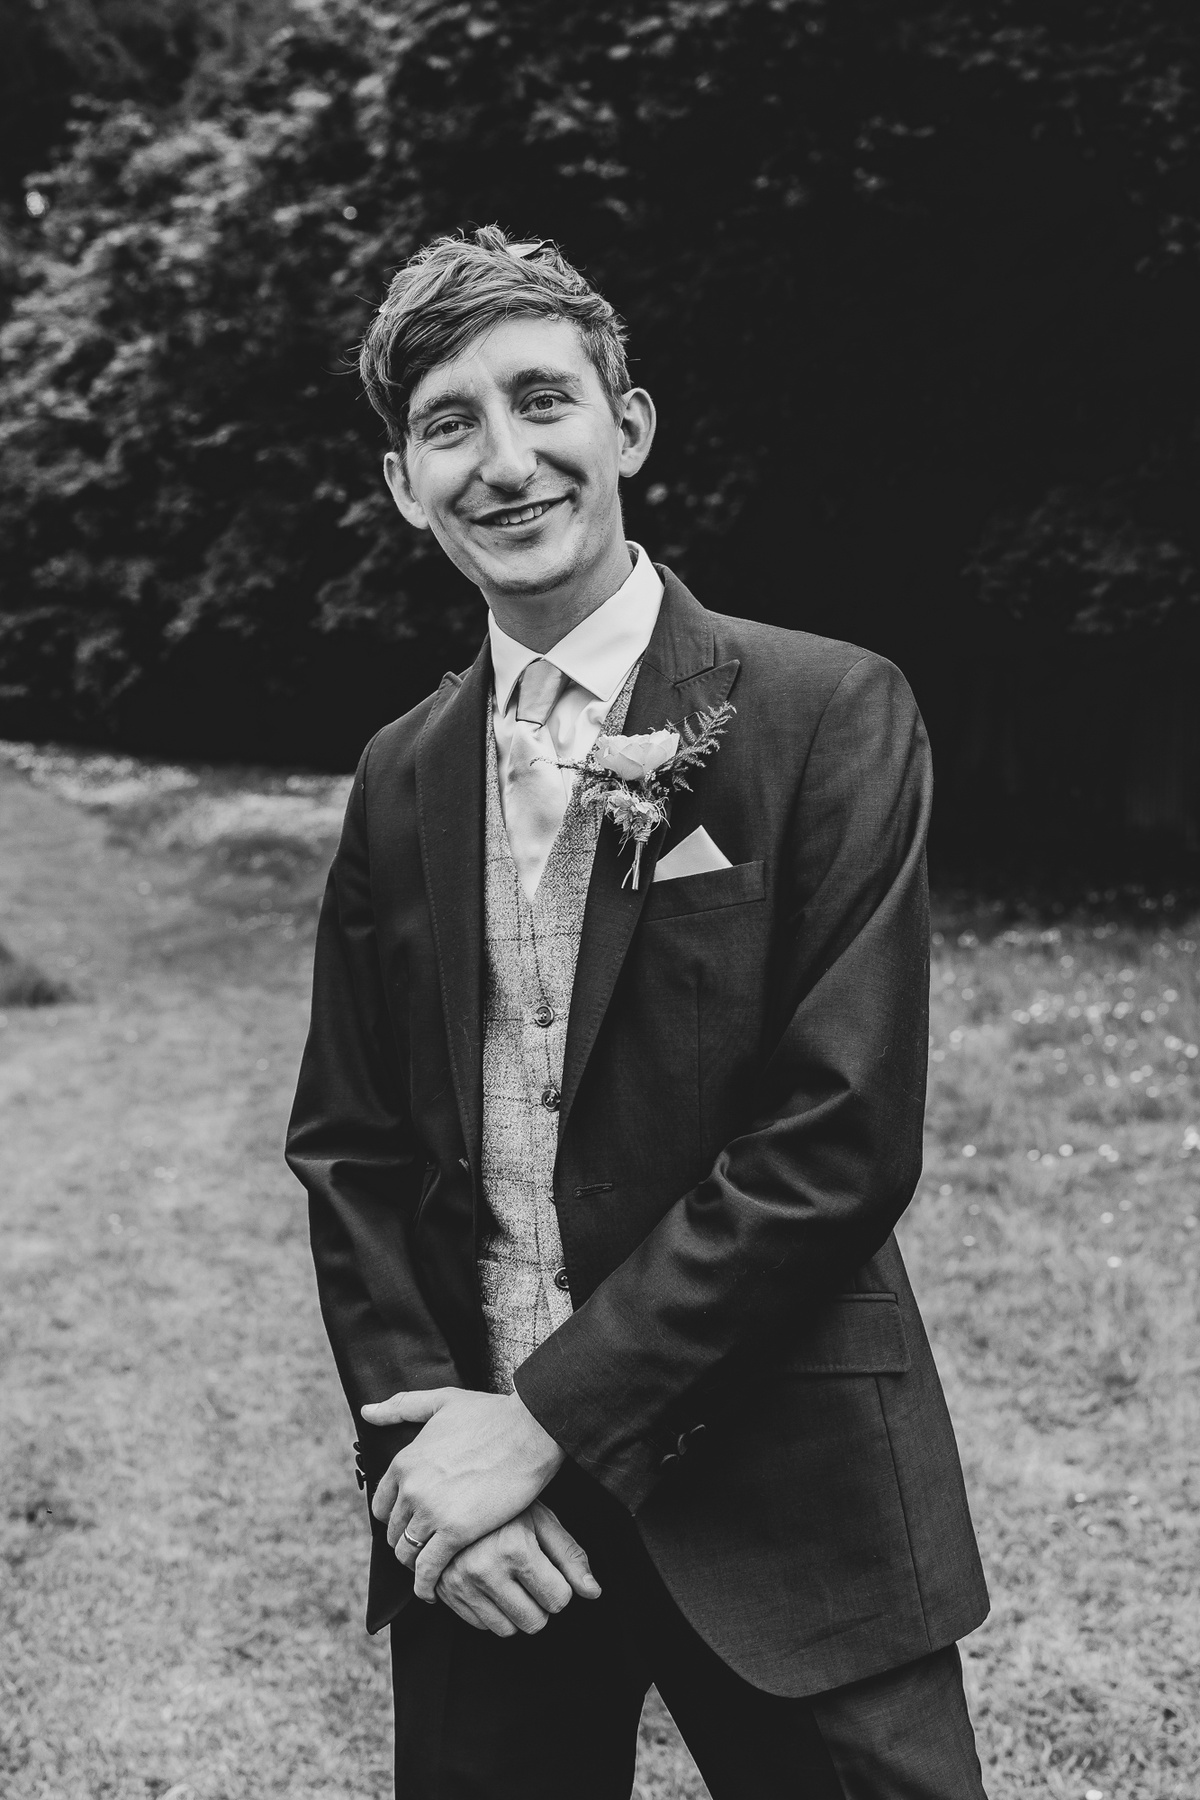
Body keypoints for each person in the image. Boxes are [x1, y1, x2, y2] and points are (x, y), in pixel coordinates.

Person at [286, 225, 990, 1798]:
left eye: (543, 400)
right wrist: (423, 1452)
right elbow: (351, 1148)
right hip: (494, 1536)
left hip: (786, 1498)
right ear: (404, 483)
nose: (505, 460)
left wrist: (546, 1417)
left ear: (629, 426)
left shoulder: (825, 710)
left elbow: (837, 1139)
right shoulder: (399, 775)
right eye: (449, 425)